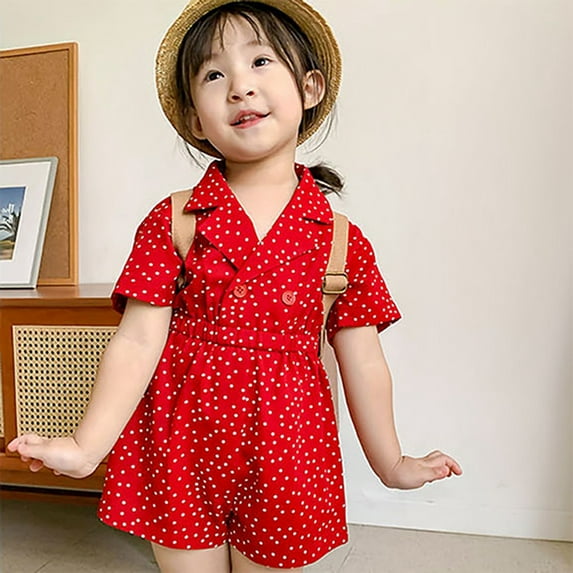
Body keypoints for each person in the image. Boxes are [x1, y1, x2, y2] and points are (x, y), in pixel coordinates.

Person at [8, 1, 463, 571]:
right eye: (214, 74)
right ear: (196, 121)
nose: (240, 87)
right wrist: (85, 448)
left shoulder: (342, 242)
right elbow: (137, 341)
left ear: (310, 88)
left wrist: (390, 463)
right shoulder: (174, 221)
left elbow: (365, 361)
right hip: (181, 450)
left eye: (261, 61)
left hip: (289, 457)